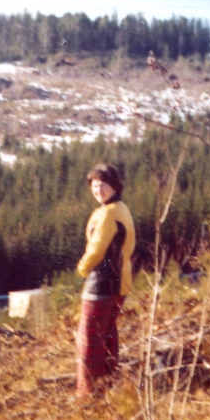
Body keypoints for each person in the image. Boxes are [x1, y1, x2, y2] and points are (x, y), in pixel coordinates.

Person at [74, 163, 135, 397]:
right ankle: (109, 386)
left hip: (101, 283)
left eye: (104, 185)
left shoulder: (109, 213)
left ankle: (88, 394)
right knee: (108, 335)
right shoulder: (121, 208)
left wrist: (82, 268)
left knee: (89, 340)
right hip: (120, 283)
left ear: (115, 186)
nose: (98, 189)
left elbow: (97, 250)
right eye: (95, 185)